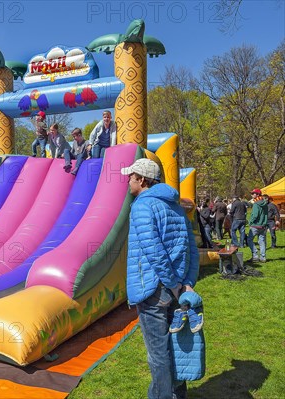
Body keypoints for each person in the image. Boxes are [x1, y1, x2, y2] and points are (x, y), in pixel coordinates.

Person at [120, 159, 199, 399]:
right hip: (175, 287)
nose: (127, 181)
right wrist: (187, 283)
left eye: (131, 177)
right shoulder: (175, 206)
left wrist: (175, 284)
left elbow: (154, 251)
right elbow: (191, 248)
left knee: (159, 354)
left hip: (155, 289)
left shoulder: (142, 206)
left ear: (142, 180)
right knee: (175, 347)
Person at [247, 188, 268, 262]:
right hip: (263, 225)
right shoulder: (265, 203)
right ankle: (263, 257)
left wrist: (250, 222)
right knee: (262, 241)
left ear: (257, 194)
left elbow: (255, 215)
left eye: (253, 193)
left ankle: (255, 255)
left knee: (249, 240)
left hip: (255, 225)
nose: (252, 195)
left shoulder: (256, 204)